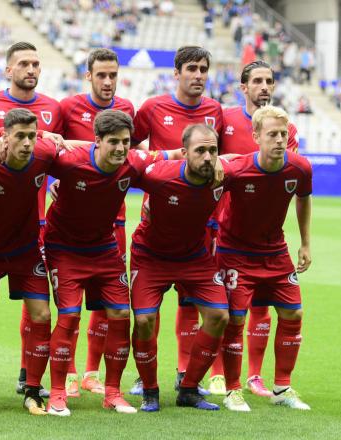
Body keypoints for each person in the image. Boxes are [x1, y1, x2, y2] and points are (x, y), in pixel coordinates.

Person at [43, 110, 183, 416]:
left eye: (125, 142)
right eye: (113, 142)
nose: (120, 149)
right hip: (64, 248)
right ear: (97, 141)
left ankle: (112, 392)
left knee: (120, 313)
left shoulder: (133, 161)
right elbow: (28, 147)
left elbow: (174, 154)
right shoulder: (68, 160)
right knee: (68, 315)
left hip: (104, 248)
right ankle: (56, 393)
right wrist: (43, 135)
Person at [0, 108, 82, 415]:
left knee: (42, 315)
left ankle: (32, 391)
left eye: (32, 135)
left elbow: (79, 152)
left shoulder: (43, 152)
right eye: (21, 136)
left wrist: (47, 139)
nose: (28, 143)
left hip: (26, 249)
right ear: (5, 138)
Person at [130, 45, 223, 396]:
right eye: (192, 69)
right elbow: (131, 150)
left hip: (200, 222)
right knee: (147, 309)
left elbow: (222, 160)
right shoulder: (153, 108)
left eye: (203, 69)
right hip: (159, 216)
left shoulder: (215, 111)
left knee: (191, 304)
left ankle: (186, 374)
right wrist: (164, 159)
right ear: (177, 73)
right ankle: (144, 377)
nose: (198, 75)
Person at [0, 41, 63, 396]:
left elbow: (63, 148)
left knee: (36, 304)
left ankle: (30, 375)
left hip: (34, 223)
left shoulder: (54, 107)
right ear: (8, 70)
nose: (31, 69)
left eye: (36, 64)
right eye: (23, 63)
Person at [208, 60, 299, 397]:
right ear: (243, 86)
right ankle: (218, 374)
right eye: (258, 80)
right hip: (222, 226)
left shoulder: (284, 127)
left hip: (264, 233)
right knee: (225, 306)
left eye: (270, 81)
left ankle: (255, 376)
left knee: (263, 305)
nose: (264, 86)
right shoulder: (224, 119)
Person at [218, 105, 312, 412]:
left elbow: (303, 199)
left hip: (275, 252)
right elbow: (208, 200)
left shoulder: (299, 168)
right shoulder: (235, 170)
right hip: (235, 253)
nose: (280, 140)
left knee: (293, 314)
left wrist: (305, 244)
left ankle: (282, 387)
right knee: (235, 319)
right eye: (272, 134)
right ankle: (233, 390)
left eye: (284, 134)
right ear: (256, 136)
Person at [58, 48, 135, 396]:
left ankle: (92, 372)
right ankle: (70, 373)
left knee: (106, 302)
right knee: (68, 304)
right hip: (71, 223)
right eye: (101, 75)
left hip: (113, 223)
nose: (107, 81)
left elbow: (133, 158)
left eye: (113, 75)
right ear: (88, 75)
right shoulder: (67, 108)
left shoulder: (127, 110)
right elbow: (54, 150)